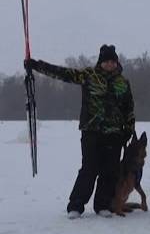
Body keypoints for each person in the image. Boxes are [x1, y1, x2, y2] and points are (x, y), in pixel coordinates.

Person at [24, 45, 135, 219]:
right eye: (106, 61)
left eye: (113, 61)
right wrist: (37, 65)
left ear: (116, 63)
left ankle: (103, 205)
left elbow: (129, 108)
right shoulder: (88, 75)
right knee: (89, 169)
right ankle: (76, 205)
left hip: (114, 134)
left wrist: (129, 129)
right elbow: (63, 73)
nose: (110, 64)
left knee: (110, 171)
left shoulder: (123, 82)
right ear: (101, 62)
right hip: (92, 131)